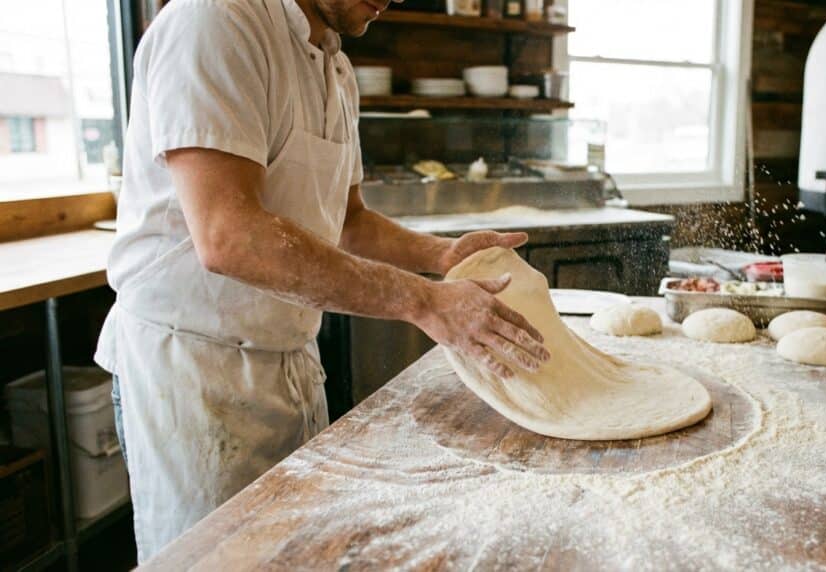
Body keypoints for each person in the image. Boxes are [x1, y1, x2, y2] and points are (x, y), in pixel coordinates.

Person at [94, 0, 549, 560]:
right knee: (214, 560)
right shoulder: (215, 22)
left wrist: (442, 254)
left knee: (295, 553)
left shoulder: (333, 66)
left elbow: (347, 220)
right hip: (195, 373)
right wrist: (426, 303)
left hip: (289, 360)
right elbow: (227, 234)